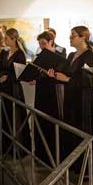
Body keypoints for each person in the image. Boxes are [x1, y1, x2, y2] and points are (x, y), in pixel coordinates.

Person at [50, 26, 93, 163]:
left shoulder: (89, 56)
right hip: (70, 97)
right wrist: (54, 74)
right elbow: (63, 72)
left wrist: (68, 79)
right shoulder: (71, 55)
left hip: (82, 100)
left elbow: (89, 80)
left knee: (81, 130)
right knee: (70, 129)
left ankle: (84, 165)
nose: (70, 38)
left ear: (83, 38)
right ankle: (72, 163)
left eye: (73, 36)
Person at [32, 31, 63, 165]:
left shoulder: (59, 56)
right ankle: (40, 154)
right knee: (40, 120)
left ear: (51, 42)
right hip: (40, 91)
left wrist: (49, 74)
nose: (42, 46)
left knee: (51, 122)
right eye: (40, 44)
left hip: (52, 92)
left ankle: (53, 156)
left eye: (44, 43)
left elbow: (61, 76)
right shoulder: (39, 56)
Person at [0, 28, 30, 155]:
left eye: (6, 38)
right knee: (6, 115)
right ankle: (7, 146)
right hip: (4, 88)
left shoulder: (19, 54)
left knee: (15, 116)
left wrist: (7, 77)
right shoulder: (6, 53)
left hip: (14, 89)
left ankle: (18, 148)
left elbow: (19, 73)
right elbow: (2, 68)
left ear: (13, 39)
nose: (4, 40)